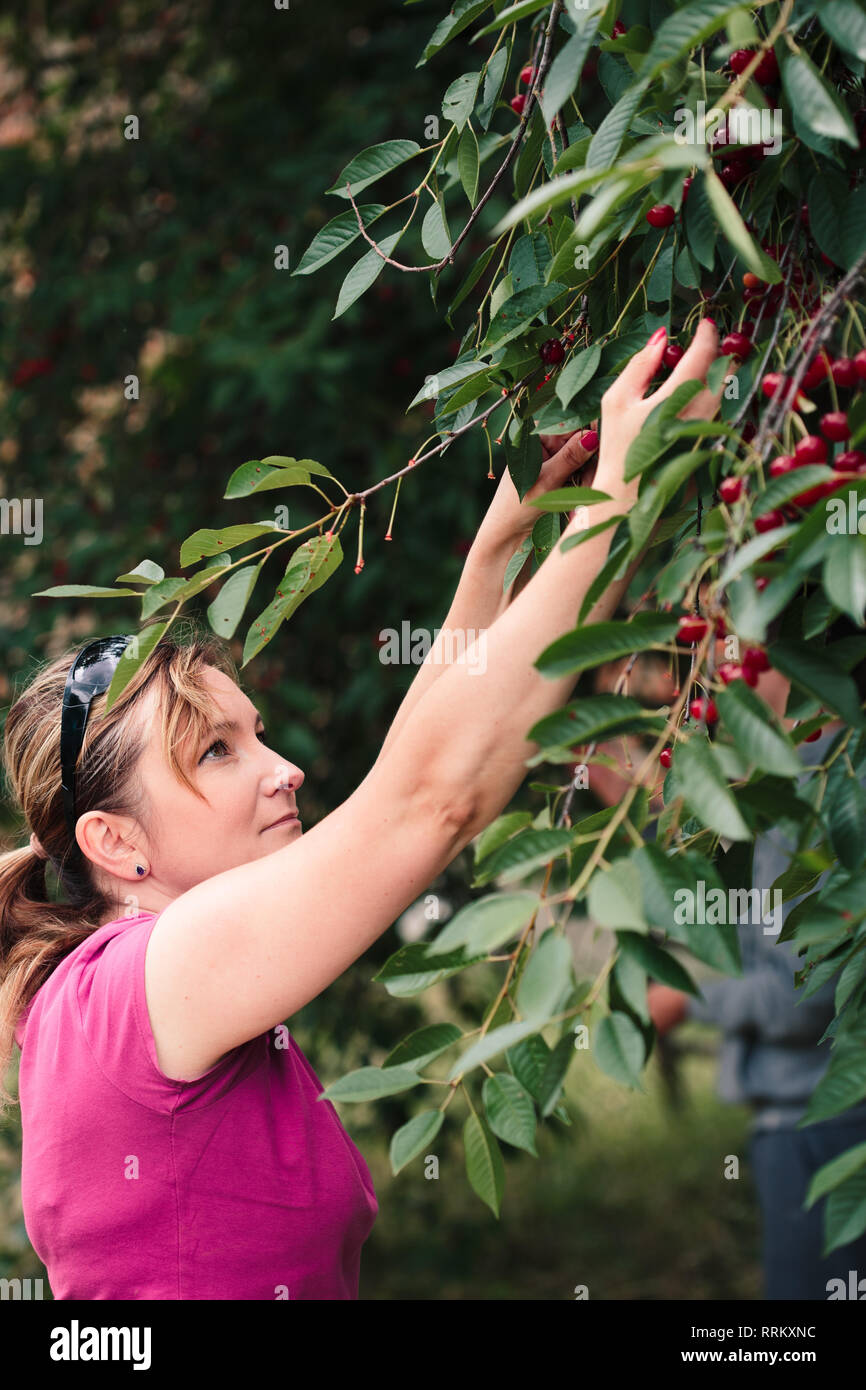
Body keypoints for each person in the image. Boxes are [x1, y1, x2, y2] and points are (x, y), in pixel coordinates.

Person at [0, 320, 723, 1300]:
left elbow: (418, 767)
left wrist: (497, 550)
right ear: (115, 841)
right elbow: (428, 798)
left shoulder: (120, 986)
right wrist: (619, 502)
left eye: (255, 732)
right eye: (217, 751)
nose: (286, 767)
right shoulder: (152, 974)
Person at [648, 659, 866, 1301]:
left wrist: (685, 1002)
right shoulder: (791, 783)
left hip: (821, 1121)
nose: (712, 679)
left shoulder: (816, 794)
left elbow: (804, 996)